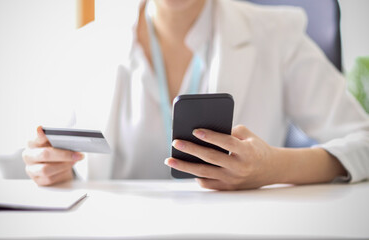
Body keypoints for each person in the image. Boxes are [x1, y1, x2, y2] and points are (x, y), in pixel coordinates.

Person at [22, 0, 369, 190]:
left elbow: (364, 142)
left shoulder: (277, 33)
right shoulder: (89, 43)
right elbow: (48, 154)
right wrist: (54, 171)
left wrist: (273, 167)